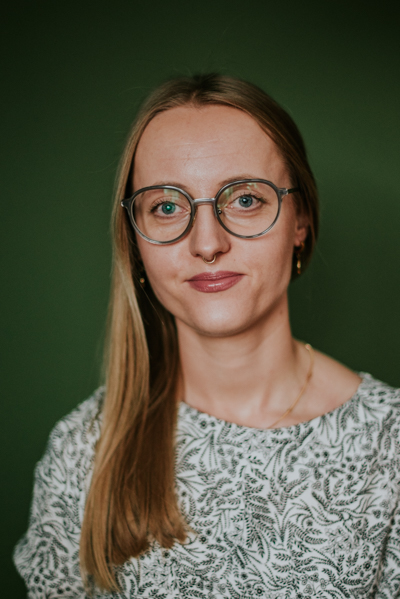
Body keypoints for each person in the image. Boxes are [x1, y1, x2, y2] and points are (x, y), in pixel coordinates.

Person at [14, 74, 400, 599]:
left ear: (300, 221)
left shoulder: (389, 447)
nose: (207, 243)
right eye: (167, 207)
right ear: (136, 241)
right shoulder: (84, 452)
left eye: (245, 199)